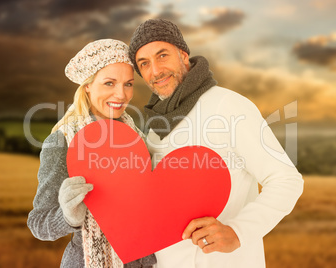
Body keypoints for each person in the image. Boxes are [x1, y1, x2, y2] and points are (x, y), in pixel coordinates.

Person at [128, 19, 304, 268]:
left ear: (183, 55)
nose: (155, 71)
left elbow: (286, 180)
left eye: (162, 55)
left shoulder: (229, 107)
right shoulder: (153, 123)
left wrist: (238, 231)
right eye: (144, 64)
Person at [27, 39, 156, 268]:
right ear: (87, 85)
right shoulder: (63, 142)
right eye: (109, 83)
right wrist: (68, 216)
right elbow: (38, 224)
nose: (122, 95)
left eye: (128, 84)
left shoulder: (136, 137)